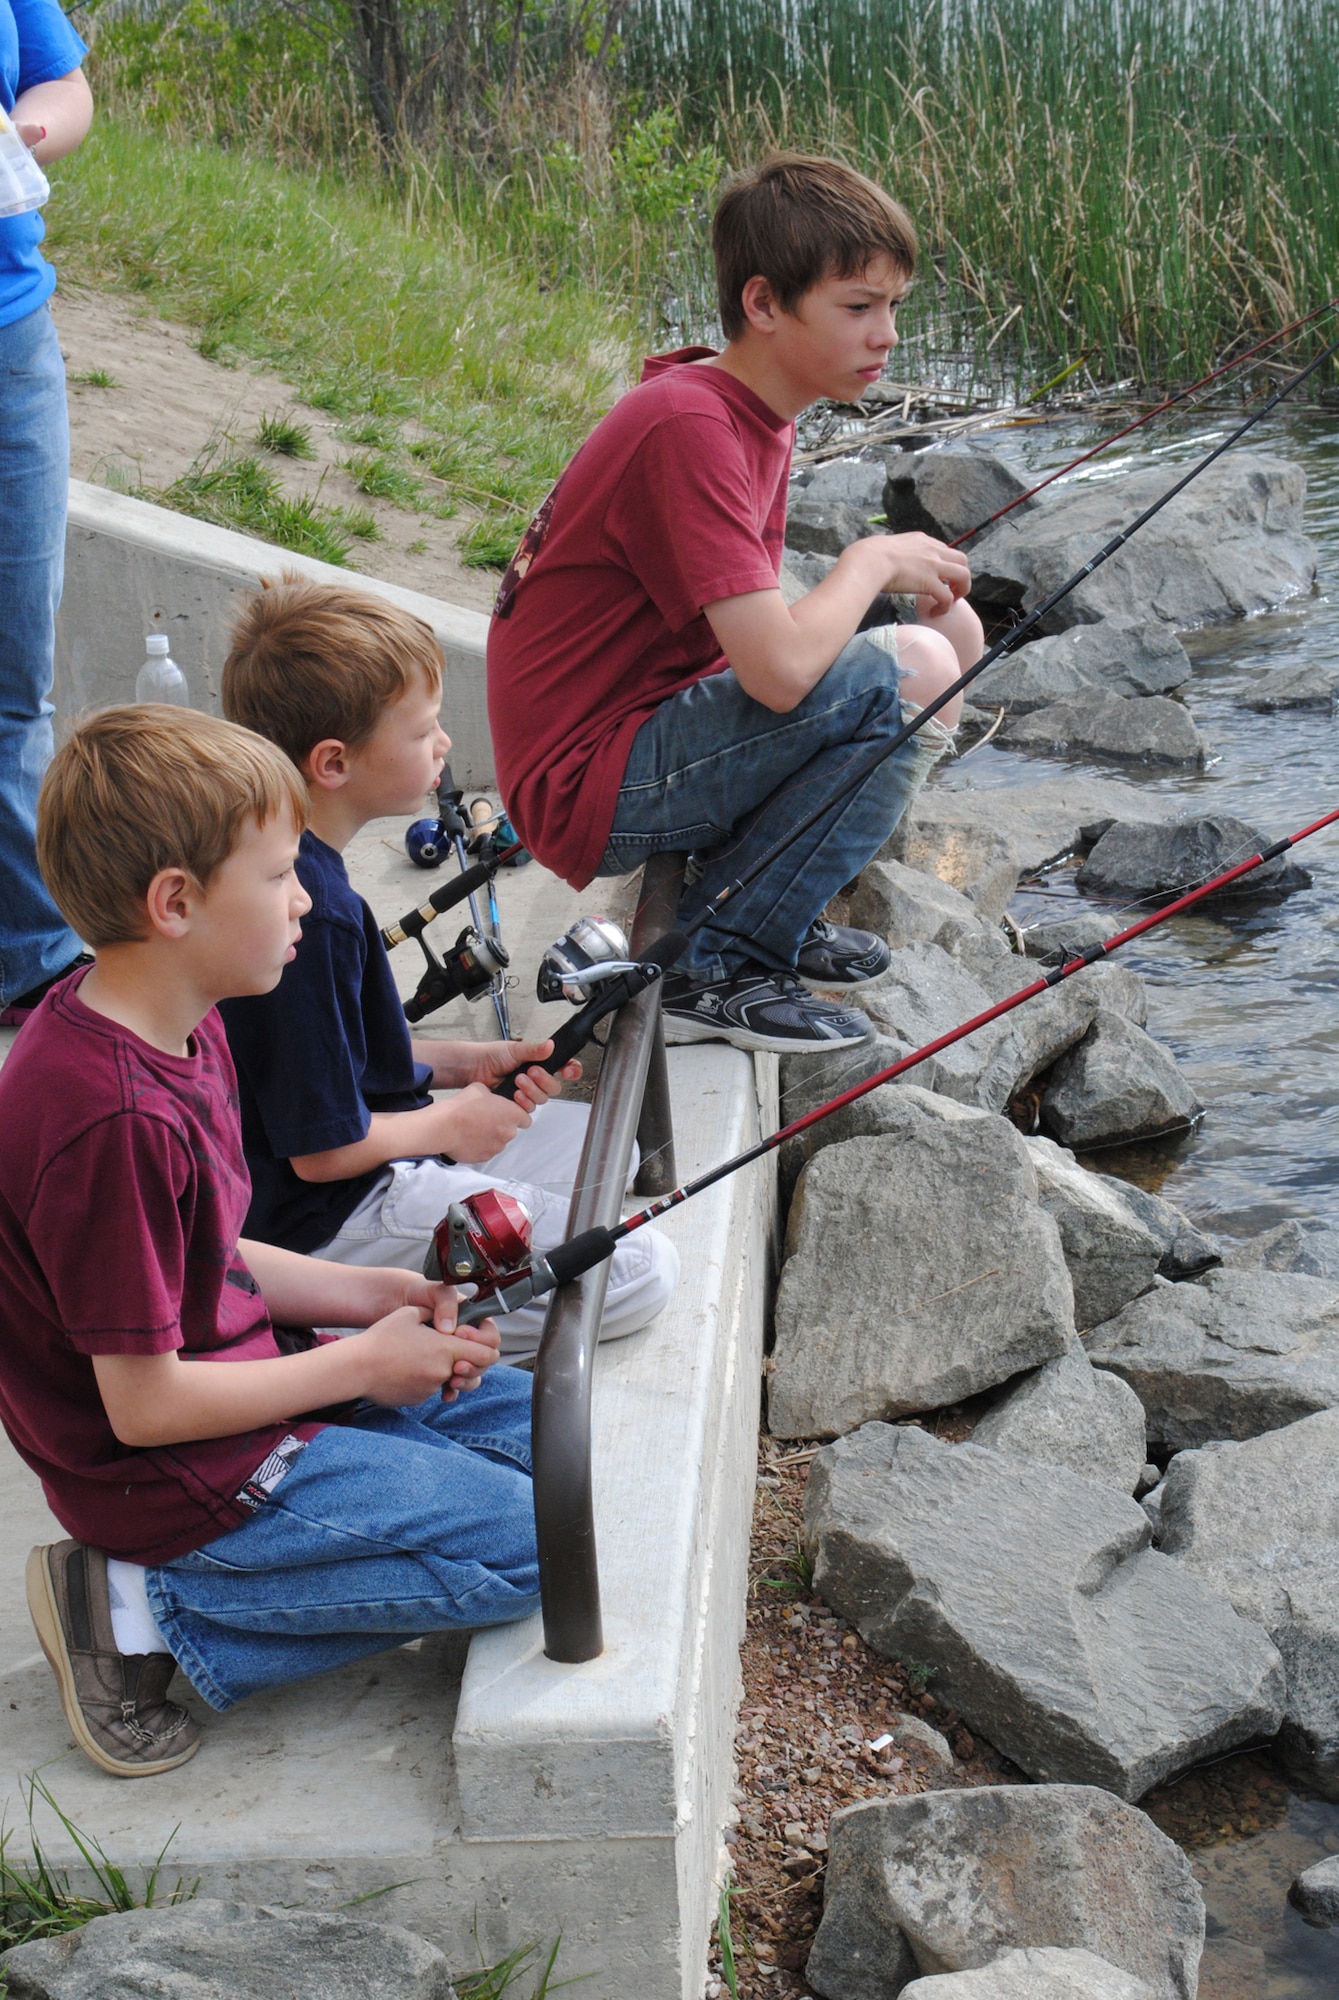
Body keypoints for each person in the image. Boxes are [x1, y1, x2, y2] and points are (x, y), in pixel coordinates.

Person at [0, 706, 538, 1778]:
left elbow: (215, 1252)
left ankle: (273, 1525)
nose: (306, 897)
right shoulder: (110, 1118)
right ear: (176, 902)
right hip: (178, 1474)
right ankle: (134, 1604)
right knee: (534, 1543)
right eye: (281, 874)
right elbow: (143, 1404)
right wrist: (358, 1366)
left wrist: (366, 1292)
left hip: (264, 1374)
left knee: (553, 1436)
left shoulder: (176, 1017)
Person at [487, 153, 984, 1056]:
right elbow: (781, 672)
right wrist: (870, 560)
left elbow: (754, 647)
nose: (886, 336)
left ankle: (762, 897)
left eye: (893, 307)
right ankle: (712, 965)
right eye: (857, 307)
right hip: (586, 782)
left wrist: (891, 592)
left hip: (638, 734)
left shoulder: (750, 409)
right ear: (763, 304)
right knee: (911, 667)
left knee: (948, 632)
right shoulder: (691, 428)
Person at [219, 577, 678, 1357]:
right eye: (424, 730)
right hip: (331, 1215)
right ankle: (348, 1321)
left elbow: (336, 1057)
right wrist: (448, 1126)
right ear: (334, 761)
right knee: (641, 1269)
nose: (443, 746)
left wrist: (470, 1063)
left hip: (384, 1148)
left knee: (617, 1152)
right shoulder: (306, 911)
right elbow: (317, 1150)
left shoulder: (309, 867)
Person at [0, 0, 94, 1026]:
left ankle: (34, 962)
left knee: (15, 680)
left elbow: (65, 87)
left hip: (11, 336)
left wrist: (26, 132)